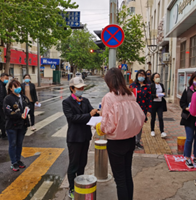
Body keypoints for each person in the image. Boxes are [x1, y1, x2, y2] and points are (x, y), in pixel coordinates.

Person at [97, 68, 145, 200]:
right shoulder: (130, 94)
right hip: (130, 140)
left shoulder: (109, 98)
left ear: (108, 81)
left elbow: (107, 125)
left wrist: (101, 126)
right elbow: (140, 116)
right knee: (127, 175)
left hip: (116, 143)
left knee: (120, 180)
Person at [62, 77, 99, 199]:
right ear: (72, 89)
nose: (81, 90)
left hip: (85, 136)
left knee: (82, 163)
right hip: (74, 138)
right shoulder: (67, 102)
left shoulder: (85, 101)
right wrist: (89, 115)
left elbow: (92, 113)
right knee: (74, 164)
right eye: (78, 88)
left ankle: (80, 185)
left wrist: (99, 112)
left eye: (82, 87)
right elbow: (72, 118)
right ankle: (72, 188)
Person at [3, 79, 30, 172]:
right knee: (13, 144)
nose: (18, 88)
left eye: (18, 86)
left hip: (22, 125)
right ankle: (13, 162)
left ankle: (18, 160)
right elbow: (8, 112)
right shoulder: (8, 98)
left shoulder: (22, 97)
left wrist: (27, 109)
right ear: (10, 88)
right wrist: (20, 115)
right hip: (12, 125)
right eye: (15, 86)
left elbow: (27, 106)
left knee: (19, 143)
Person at [180, 71, 196, 169]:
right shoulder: (187, 90)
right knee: (189, 138)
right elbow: (182, 103)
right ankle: (187, 158)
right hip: (189, 118)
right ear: (192, 79)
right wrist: (187, 108)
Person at [129, 69, 152, 149]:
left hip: (143, 109)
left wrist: (149, 110)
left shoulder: (148, 86)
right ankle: (132, 141)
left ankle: (137, 141)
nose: (141, 77)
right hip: (133, 109)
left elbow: (149, 99)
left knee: (139, 126)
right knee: (133, 125)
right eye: (139, 75)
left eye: (142, 75)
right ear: (137, 76)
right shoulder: (132, 86)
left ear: (145, 76)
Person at [150, 73, 167, 138]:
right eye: (156, 77)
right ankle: (152, 130)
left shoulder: (161, 85)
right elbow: (150, 95)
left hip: (160, 103)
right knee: (153, 118)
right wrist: (155, 95)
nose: (157, 78)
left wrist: (163, 94)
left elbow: (164, 92)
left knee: (160, 117)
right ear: (153, 78)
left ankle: (162, 131)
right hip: (154, 103)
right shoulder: (151, 85)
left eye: (158, 77)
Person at [0, 73, 9, 140]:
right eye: (5, 78)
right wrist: (3, 105)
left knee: (1, 118)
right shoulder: (0, 86)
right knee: (3, 119)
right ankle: (3, 134)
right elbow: (0, 97)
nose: (7, 80)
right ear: (1, 78)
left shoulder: (1, 85)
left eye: (7, 79)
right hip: (0, 105)